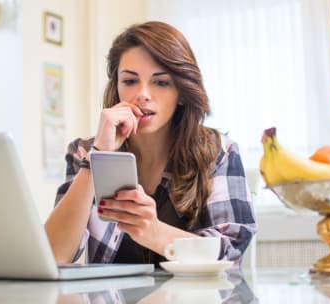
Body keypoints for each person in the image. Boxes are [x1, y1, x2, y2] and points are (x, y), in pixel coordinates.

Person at [45, 21, 256, 267]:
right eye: (130, 81)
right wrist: (97, 156)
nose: (142, 94)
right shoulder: (84, 152)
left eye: (161, 82)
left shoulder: (218, 151)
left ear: (181, 91)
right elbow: (53, 256)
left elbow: (230, 251)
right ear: (117, 87)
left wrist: (152, 232)